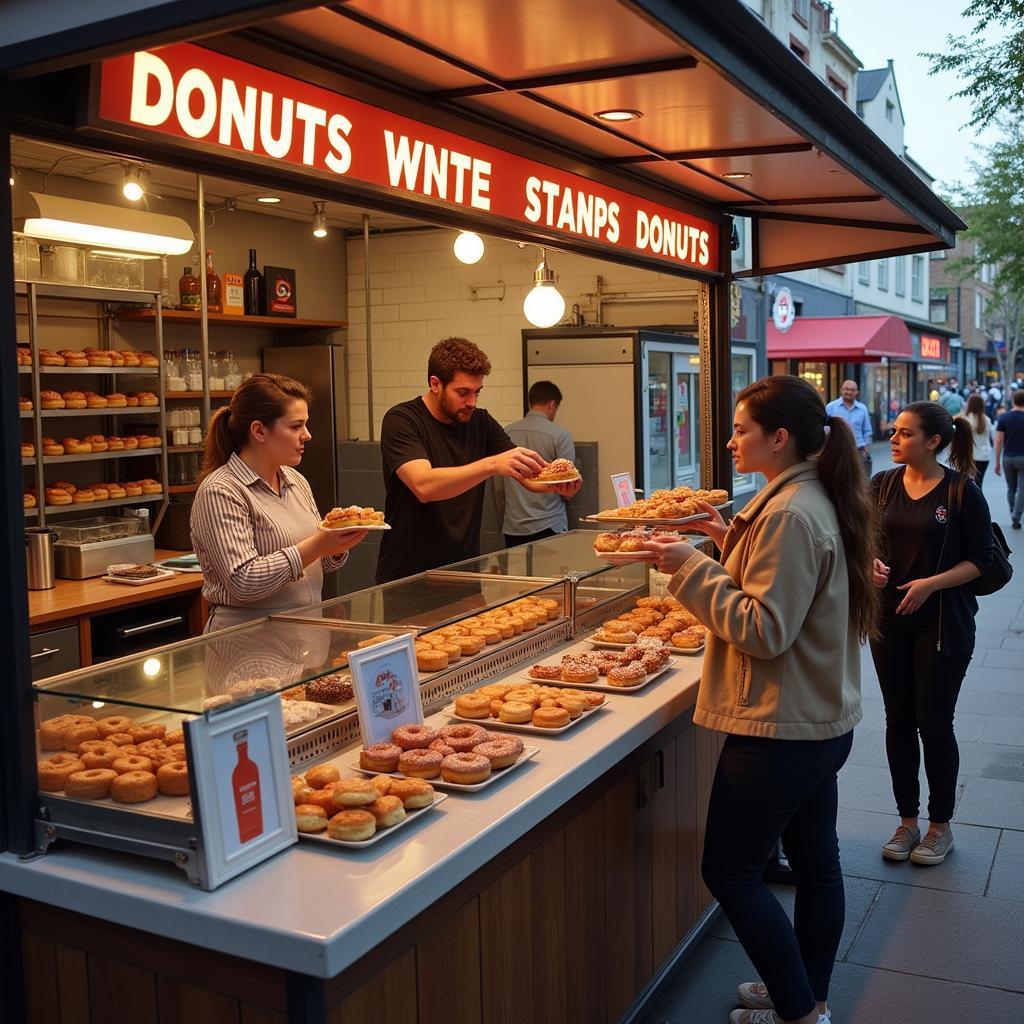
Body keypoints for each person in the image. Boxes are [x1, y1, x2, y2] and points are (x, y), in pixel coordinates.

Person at [640, 376, 876, 1024]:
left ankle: (799, 1013)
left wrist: (689, 566)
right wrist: (723, 542)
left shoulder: (793, 513)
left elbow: (764, 629)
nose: (729, 440)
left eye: (741, 429)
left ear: (779, 438)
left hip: (781, 727)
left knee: (731, 872)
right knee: (816, 861)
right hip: (815, 721)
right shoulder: (804, 496)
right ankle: (808, 995)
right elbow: (787, 592)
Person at [871, 402, 993, 868]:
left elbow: (982, 560)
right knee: (897, 722)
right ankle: (907, 821)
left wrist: (931, 584)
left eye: (904, 433)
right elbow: (858, 538)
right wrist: (869, 566)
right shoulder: (881, 485)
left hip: (942, 624)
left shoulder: (962, 492)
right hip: (888, 620)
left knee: (935, 725)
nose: (894, 438)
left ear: (933, 442)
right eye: (895, 431)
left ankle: (940, 826)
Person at [190, 373, 367, 631]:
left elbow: (316, 563)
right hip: (247, 644)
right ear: (259, 431)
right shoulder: (220, 491)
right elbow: (243, 581)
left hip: (305, 635)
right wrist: (318, 544)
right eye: (296, 426)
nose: (307, 435)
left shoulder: (295, 480)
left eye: (305, 425)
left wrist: (338, 544)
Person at [376, 337, 552, 582]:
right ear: (435, 384)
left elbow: (527, 474)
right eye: (463, 392)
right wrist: (491, 464)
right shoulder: (402, 420)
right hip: (408, 575)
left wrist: (557, 482)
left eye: (477, 392)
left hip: (464, 571)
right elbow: (423, 485)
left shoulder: (480, 422)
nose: (472, 402)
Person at [495, 380, 582, 547]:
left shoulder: (506, 433)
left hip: (514, 527)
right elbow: (568, 486)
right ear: (552, 404)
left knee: (517, 573)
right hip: (549, 524)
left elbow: (499, 487)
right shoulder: (560, 435)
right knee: (551, 573)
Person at [825, 379, 873, 475]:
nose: (849, 392)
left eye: (852, 390)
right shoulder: (831, 407)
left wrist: (867, 449)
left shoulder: (862, 409)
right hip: (836, 450)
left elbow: (867, 430)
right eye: (846, 389)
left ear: (857, 392)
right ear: (841, 390)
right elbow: (824, 428)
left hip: (858, 451)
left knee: (859, 480)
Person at [994, 387, 1024, 529]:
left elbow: (999, 441)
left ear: (1013, 401)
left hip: (1008, 457)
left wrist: (997, 462)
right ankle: (1016, 515)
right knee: (1022, 488)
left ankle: (1013, 511)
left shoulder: (1004, 417)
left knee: (1011, 488)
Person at [961, 393, 993, 487]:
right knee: (979, 483)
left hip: (969, 455)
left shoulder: (965, 419)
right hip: (984, 455)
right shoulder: (987, 419)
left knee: (967, 484)